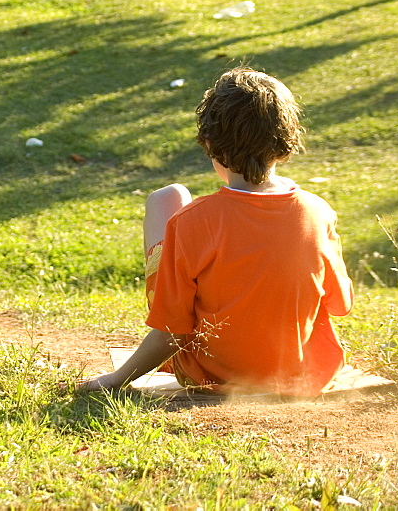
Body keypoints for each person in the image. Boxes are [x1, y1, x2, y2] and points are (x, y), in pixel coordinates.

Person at [78, 67, 353, 396]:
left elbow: (171, 332)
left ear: (208, 142)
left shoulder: (192, 221)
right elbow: (340, 304)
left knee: (168, 197)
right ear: (286, 141)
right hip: (302, 373)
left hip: (210, 373)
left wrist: (114, 378)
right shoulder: (318, 211)